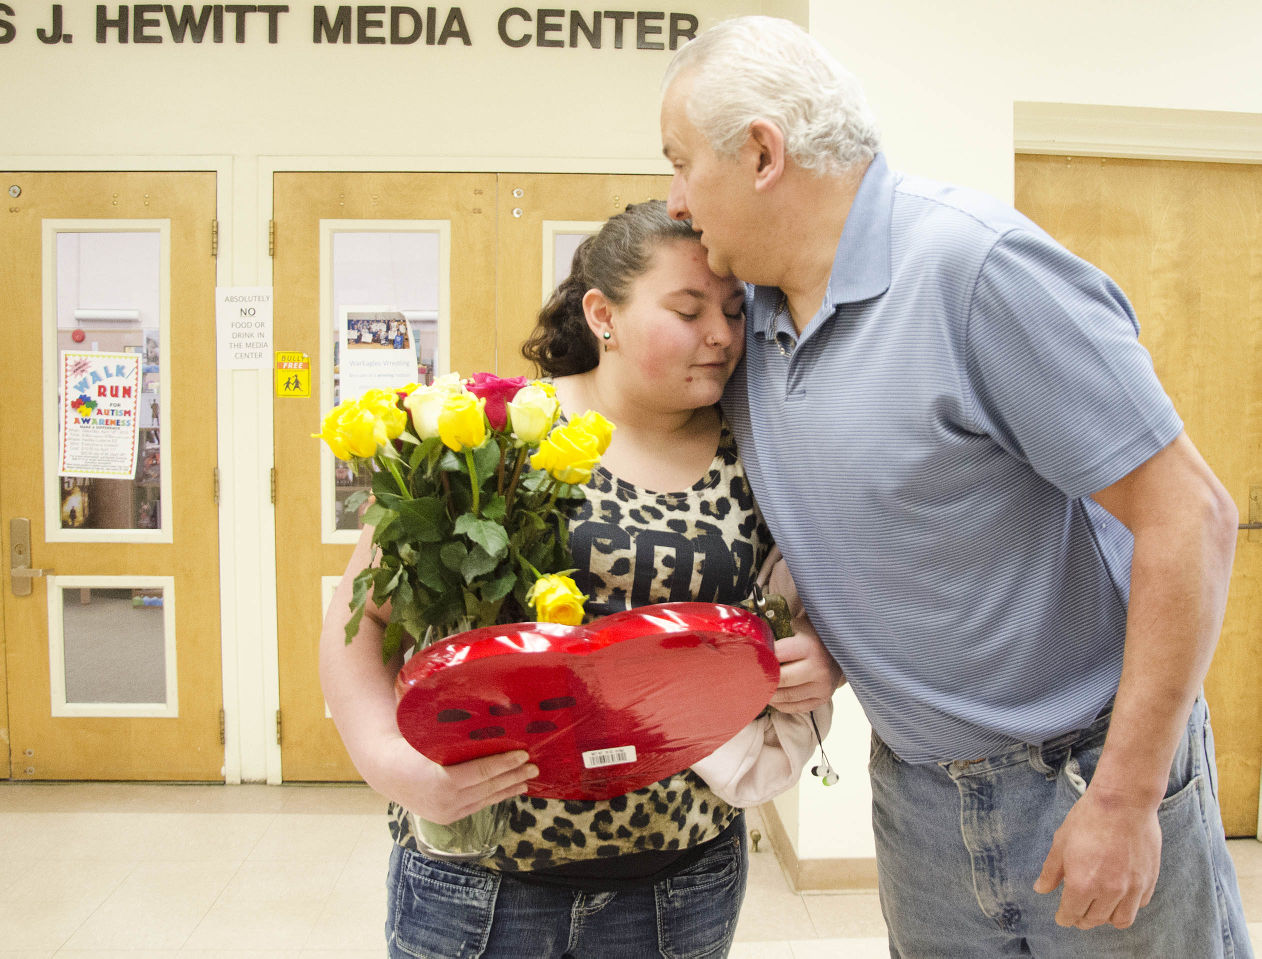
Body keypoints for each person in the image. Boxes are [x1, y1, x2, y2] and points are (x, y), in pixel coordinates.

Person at [660, 16, 1251, 958]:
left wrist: (1129, 796)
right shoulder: (746, 333)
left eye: (682, 163)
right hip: (917, 795)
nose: (677, 200)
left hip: (1086, 777)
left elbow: (1194, 516)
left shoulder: (976, 271)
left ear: (763, 154)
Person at [319, 200, 839, 959]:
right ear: (603, 315)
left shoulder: (760, 452)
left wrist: (821, 661)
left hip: (678, 880)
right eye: (688, 310)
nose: (722, 335)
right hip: (481, 878)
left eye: (733, 310)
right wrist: (391, 765)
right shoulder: (493, 433)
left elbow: (821, 601)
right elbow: (359, 619)